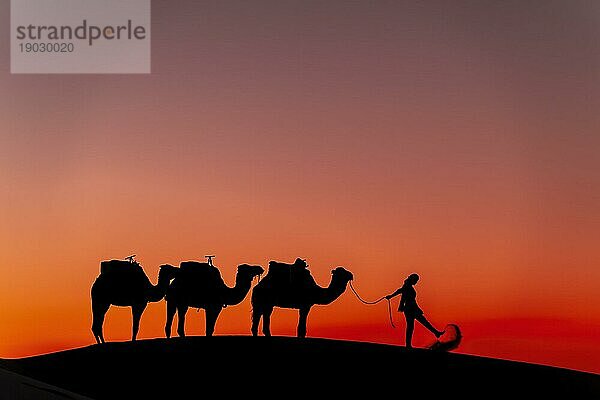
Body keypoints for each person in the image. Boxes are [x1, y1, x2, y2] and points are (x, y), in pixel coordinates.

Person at [386, 273, 444, 348]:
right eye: (416, 280)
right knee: (414, 325)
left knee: (418, 324)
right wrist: (390, 296)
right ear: (412, 280)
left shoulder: (408, 286)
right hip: (410, 309)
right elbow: (399, 291)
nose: (416, 282)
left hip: (412, 308)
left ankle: (436, 333)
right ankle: (409, 345)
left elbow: (400, 291)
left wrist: (391, 296)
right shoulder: (407, 286)